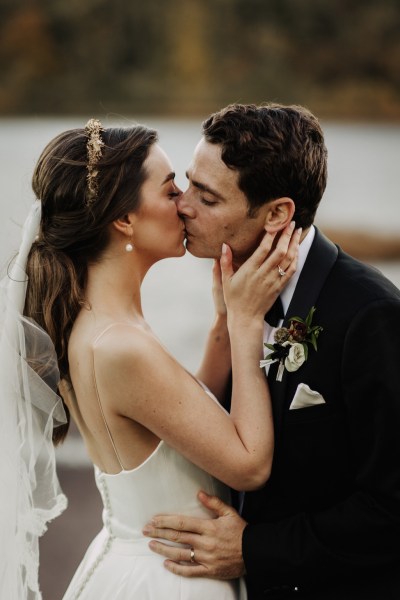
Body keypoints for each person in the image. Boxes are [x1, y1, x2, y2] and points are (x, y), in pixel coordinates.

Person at [0, 118, 300, 599]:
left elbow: (179, 425)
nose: (184, 202)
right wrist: (247, 324)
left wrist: (223, 321)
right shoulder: (120, 344)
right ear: (124, 220)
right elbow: (248, 465)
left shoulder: (100, 324)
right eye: (169, 189)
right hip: (167, 579)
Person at [142, 103, 400, 599]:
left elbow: (392, 505)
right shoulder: (237, 289)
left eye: (208, 198)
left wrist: (255, 549)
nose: (182, 205)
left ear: (279, 213)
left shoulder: (371, 316)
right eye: (189, 183)